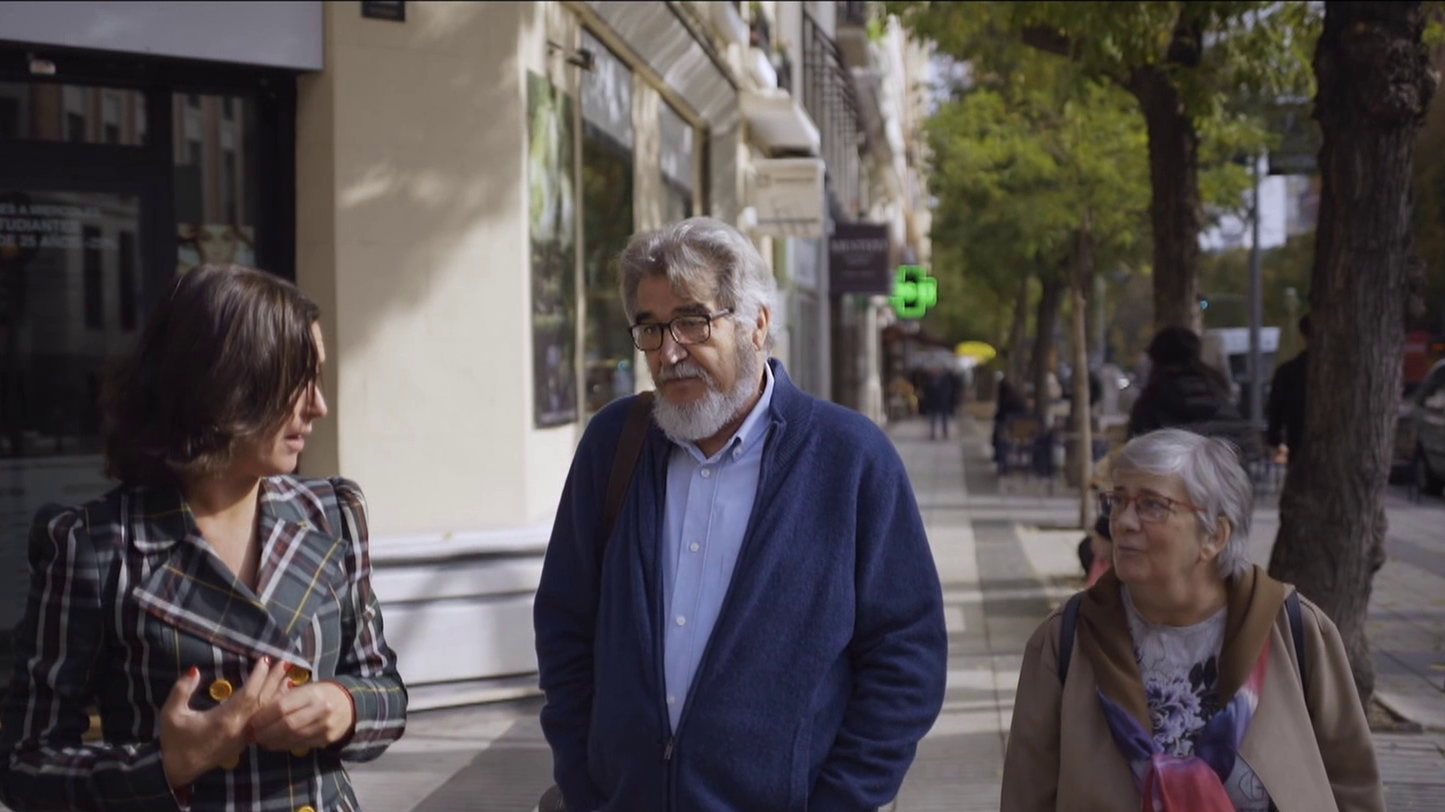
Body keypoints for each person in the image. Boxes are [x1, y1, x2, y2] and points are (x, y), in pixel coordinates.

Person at [533, 217, 948, 812]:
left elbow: (908, 657)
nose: (670, 351)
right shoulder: (613, 446)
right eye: (649, 328)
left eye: (692, 321)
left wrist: (840, 801)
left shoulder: (849, 459)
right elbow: (565, 625)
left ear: (757, 323)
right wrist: (584, 779)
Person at [0, 264, 407, 811]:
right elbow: (27, 764)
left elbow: (385, 686)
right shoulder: (96, 545)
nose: (318, 406)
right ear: (226, 382)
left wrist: (345, 705)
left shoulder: (331, 514)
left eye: (319, 380)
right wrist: (169, 764)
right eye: (296, 381)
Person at [1002, 429, 1383, 811]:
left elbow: (1353, 788)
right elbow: (1027, 796)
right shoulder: (1065, 639)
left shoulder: (1295, 630)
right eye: (1118, 501)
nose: (1123, 522)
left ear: (1214, 536)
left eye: (1152, 505)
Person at [1128, 327, 1255, 459]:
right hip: (1225, 474)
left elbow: (1137, 456)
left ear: (1156, 361)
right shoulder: (1217, 391)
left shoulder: (1151, 403)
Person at [1267, 314, 1311, 467]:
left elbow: (1275, 411)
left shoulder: (1287, 372)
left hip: (1297, 445)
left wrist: (1274, 440)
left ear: (1303, 337)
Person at [922, 364, 960, 440]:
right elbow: (926, 390)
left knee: (944, 418)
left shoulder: (946, 379)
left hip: (943, 401)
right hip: (932, 402)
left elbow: (951, 389)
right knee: (932, 418)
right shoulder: (929, 379)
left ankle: (945, 432)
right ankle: (932, 433)